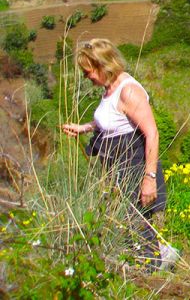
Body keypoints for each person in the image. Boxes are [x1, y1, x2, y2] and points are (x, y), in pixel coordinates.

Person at [62, 39, 176, 270]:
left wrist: (149, 179)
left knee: (138, 225)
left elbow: (152, 134)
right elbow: (109, 119)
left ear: (103, 64)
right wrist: (83, 128)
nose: (87, 78)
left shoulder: (129, 92)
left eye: (88, 72)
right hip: (120, 171)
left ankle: (152, 274)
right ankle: (151, 266)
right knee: (130, 224)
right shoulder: (110, 89)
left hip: (133, 169)